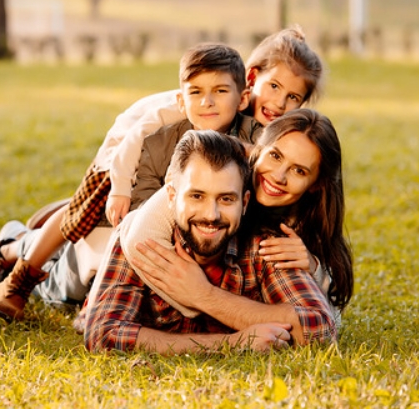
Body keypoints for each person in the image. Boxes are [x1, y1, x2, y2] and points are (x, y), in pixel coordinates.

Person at [0, 26, 325, 322]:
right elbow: (136, 135)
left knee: (89, 245)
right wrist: (119, 189)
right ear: (252, 80)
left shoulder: (270, 135)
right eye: (275, 87)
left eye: (293, 97)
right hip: (120, 165)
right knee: (76, 231)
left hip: (170, 204)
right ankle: (16, 255)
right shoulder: (184, 108)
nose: (280, 104)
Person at [84, 129, 336, 353]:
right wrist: (231, 343)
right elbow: (103, 334)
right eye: (196, 196)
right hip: (88, 247)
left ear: (245, 202)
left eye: (226, 199)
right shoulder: (141, 238)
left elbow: (320, 330)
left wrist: (204, 296)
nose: (211, 215)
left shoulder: (268, 246)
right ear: (171, 197)